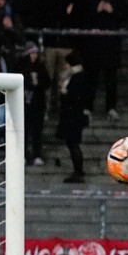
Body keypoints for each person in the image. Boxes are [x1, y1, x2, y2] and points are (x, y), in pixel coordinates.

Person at [56, 49, 89, 183]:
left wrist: (64, 93)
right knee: (73, 143)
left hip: (73, 116)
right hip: (74, 115)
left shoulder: (76, 77)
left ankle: (78, 171)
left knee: (73, 144)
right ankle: (78, 170)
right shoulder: (80, 76)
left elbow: (72, 97)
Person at [17, 42, 51, 166]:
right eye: (32, 53)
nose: (34, 56)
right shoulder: (20, 67)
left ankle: (37, 154)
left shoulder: (40, 67)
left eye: (35, 53)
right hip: (24, 104)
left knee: (37, 131)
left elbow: (47, 82)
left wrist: (38, 83)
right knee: (24, 131)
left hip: (37, 104)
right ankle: (23, 155)